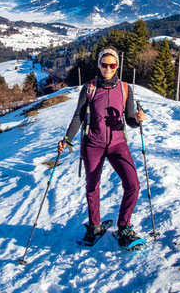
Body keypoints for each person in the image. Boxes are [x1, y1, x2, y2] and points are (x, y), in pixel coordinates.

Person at [58, 47, 146, 248]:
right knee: (92, 186)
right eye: (104, 64)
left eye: (112, 65)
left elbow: (130, 119)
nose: (108, 68)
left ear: (117, 67)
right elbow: (79, 115)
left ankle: (124, 227)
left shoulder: (125, 89)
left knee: (133, 184)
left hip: (117, 144)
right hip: (92, 144)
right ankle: (95, 226)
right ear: (99, 65)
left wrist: (139, 120)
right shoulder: (89, 88)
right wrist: (67, 139)